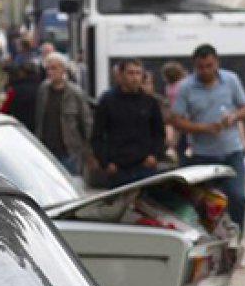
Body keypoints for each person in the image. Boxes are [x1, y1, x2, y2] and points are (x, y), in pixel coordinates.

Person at [170, 44, 245, 230]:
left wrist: (233, 117)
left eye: (210, 66)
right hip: (202, 155)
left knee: (238, 197)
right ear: (194, 66)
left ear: (217, 63)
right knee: (202, 203)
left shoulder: (231, 80)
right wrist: (203, 128)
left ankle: (236, 239)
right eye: (201, 67)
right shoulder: (186, 87)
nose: (206, 71)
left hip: (231, 152)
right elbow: (177, 121)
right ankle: (208, 239)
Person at [91, 59, 164, 188]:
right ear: (120, 75)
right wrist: (105, 162)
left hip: (144, 165)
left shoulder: (149, 102)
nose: (135, 78)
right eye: (130, 73)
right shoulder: (108, 101)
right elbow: (97, 135)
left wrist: (155, 155)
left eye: (138, 73)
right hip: (118, 168)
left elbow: (158, 132)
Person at [34, 52, 94, 175]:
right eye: (48, 69)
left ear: (63, 69)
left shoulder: (75, 93)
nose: (50, 72)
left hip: (69, 151)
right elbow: (39, 118)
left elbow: (87, 123)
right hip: (47, 150)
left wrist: (89, 152)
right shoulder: (43, 90)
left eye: (54, 68)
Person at [161, 62, 189, 161]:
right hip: (180, 114)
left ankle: (173, 148)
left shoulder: (170, 87)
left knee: (178, 133)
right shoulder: (182, 85)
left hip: (179, 113)